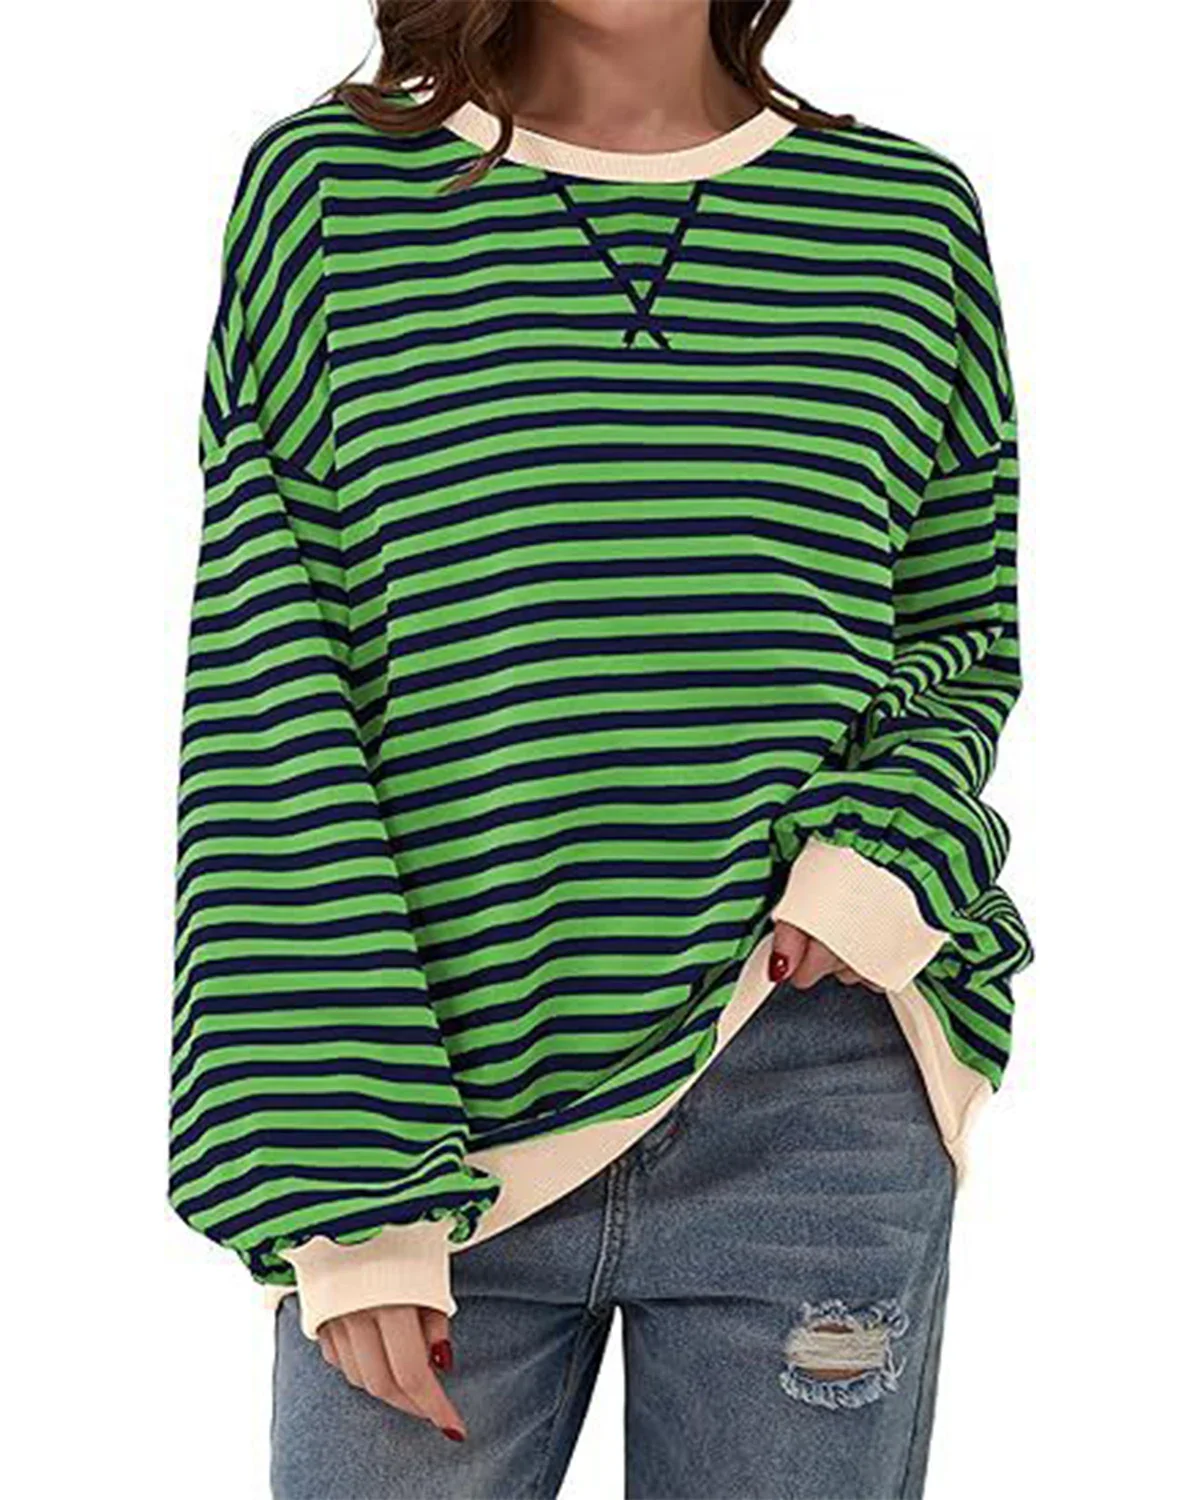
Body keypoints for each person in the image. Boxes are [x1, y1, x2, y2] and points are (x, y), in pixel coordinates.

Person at [170, 1, 1032, 1494]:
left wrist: (877, 861)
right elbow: (271, 677)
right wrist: (345, 1185)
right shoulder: (332, 196)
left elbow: (957, 634)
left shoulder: (905, 221)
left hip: (806, 1077)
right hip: (430, 1105)